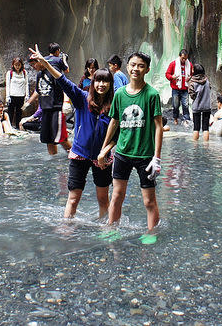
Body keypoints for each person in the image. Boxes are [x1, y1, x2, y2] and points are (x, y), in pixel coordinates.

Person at [30, 45, 114, 219]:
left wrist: (105, 152)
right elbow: (63, 81)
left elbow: (117, 133)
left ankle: (106, 232)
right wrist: (45, 63)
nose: (101, 84)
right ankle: (67, 232)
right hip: (79, 154)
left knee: (103, 199)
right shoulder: (82, 98)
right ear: (93, 82)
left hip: (102, 157)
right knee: (73, 198)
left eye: (105, 81)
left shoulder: (114, 105)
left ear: (110, 84)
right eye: (98, 80)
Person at [98, 52, 163, 232]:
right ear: (127, 67)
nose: (136, 69)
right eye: (133, 65)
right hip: (122, 154)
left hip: (145, 156)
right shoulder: (119, 94)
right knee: (117, 196)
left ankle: (152, 233)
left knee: (149, 201)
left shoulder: (152, 95)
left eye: (141, 66)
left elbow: (158, 127)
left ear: (147, 69)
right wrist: (104, 149)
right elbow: (114, 122)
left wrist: (157, 158)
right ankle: (112, 230)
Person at [30, 46, 71, 155]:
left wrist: (66, 103)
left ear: (40, 61)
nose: (33, 67)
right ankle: (53, 162)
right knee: (48, 140)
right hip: (45, 110)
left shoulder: (53, 71)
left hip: (56, 109)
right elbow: (39, 91)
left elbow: (64, 86)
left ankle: (76, 158)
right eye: (31, 65)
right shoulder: (39, 75)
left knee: (61, 139)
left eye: (34, 64)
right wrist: (28, 102)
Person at [165, 48, 192, 124]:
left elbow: (192, 74)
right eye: (183, 58)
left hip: (185, 89)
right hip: (175, 89)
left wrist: (190, 77)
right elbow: (167, 74)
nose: (184, 60)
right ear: (179, 56)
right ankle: (175, 118)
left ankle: (186, 120)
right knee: (175, 105)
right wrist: (172, 77)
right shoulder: (173, 64)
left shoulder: (189, 64)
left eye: (185, 59)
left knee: (185, 105)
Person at [188, 63, 211, 141]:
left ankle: (195, 146)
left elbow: (192, 95)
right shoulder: (207, 80)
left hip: (197, 106)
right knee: (206, 128)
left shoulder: (192, 82)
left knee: (196, 127)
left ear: (194, 71)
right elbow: (209, 88)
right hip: (207, 106)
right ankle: (206, 144)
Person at [5, 57, 29, 129]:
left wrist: (27, 95)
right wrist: (7, 96)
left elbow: (26, 84)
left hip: (21, 96)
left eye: (19, 65)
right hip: (12, 96)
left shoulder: (24, 73)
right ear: (13, 65)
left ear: (21, 65)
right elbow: (8, 85)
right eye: (16, 65)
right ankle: (9, 127)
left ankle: (18, 127)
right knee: (10, 113)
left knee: (19, 113)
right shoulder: (10, 73)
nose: (17, 67)